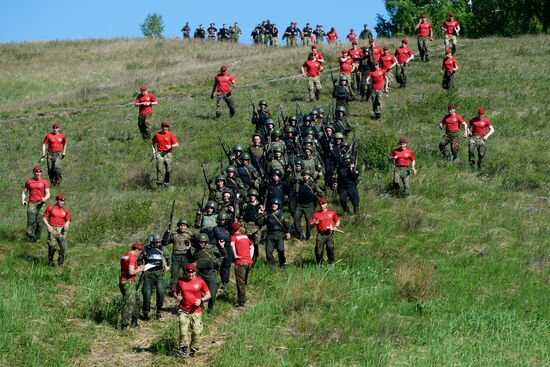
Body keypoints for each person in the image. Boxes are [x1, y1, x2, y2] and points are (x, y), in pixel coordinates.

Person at [174, 263, 211, 359]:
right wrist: (177, 296)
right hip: (183, 310)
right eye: (188, 273)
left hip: (196, 311)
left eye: (192, 272)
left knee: (197, 331)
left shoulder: (200, 282)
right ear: (185, 272)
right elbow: (175, 291)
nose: (190, 275)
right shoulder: (181, 282)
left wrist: (201, 300)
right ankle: (183, 348)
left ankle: (193, 349)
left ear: (195, 272)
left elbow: (208, 295)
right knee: (183, 330)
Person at [139, 234, 170, 321]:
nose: (158, 244)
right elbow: (139, 259)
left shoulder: (162, 249)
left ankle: (158, 312)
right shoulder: (146, 249)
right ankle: (145, 312)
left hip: (159, 274)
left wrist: (168, 267)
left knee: (161, 292)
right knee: (147, 294)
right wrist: (141, 266)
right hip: (148, 274)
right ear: (152, 242)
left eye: (159, 242)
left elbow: (168, 258)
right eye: (156, 242)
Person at [193, 233, 226, 312]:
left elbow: (224, 255)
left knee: (212, 294)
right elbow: (191, 259)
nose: (200, 244)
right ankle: (199, 307)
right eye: (199, 242)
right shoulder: (197, 250)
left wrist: (222, 248)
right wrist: (188, 250)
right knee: (196, 291)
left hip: (211, 273)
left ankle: (210, 310)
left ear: (206, 242)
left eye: (202, 242)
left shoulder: (212, 248)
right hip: (200, 274)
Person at [163, 219, 195, 296]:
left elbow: (196, 243)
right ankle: (172, 291)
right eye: (181, 225)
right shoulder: (174, 234)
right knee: (174, 275)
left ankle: (191, 289)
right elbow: (165, 242)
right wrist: (166, 234)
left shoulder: (190, 234)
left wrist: (191, 245)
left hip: (186, 256)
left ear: (186, 227)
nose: (182, 227)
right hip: (176, 257)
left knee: (188, 273)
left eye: (184, 226)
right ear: (178, 226)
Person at [257, 197, 291, 267]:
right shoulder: (267, 215)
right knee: (268, 252)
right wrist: (259, 214)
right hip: (270, 235)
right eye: (272, 204)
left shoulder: (282, 215)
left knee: (281, 250)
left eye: (276, 204)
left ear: (278, 205)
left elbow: (288, 225)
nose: (274, 205)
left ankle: (282, 263)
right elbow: (260, 223)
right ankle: (272, 265)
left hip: (280, 234)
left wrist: (288, 233)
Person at [119, 243, 145, 329]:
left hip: (123, 281)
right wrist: (140, 269)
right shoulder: (132, 257)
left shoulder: (125, 255)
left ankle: (135, 321)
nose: (139, 254)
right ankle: (125, 325)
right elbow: (131, 272)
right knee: (129, 303)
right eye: (139, 252)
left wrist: (137, 267)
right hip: (128, 282)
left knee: (136, 301)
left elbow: (128, 268)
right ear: (137, 250)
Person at [22, 166, 50, 242]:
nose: (38, 173)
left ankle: (37, 238)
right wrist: (23, 200)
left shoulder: (44, 182)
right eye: (36, 172)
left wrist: (45, 198)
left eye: (39, 172)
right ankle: (31, 237)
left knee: (40, 223)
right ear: (34, 173)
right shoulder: (29, 181)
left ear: (41, 173)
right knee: (31, 221)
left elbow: (48, 193)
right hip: (32, 204)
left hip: (41, 204)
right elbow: (24, 192)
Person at [293, 169, 324, 240]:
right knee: (296, 219)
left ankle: (308, 236)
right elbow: (295, 193)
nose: (305, 176)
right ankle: (300, 234)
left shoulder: (313, 184)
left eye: (307, 175)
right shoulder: (299, 184)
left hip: (309, 206)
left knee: (309, 222)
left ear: (309, 176)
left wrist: (317, 193)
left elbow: (321, 193)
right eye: (304, 175)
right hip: (299, 205)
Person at [42, 194, 71, 267]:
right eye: (61, 201)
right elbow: (44, 218)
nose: (62, 202)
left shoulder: (65, 210)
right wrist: (48, 226)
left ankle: (60, 263)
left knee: (63, 248)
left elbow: (68, 220)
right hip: (52, 229)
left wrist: (67, 224)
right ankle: (51, 259)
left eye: (63, 201)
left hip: (62, 230)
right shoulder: (50, 208)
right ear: (57, 200)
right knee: (52, 245)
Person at [310, 198, 340, 264]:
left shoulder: (331, 213)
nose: (322, 206)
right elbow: (310, 224)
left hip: (329, 233)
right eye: (320, 204)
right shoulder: (316, 214)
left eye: (323, 204)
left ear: (326, 204)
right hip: (321, 234)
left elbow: (337, 221)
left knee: (330, 247)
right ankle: (319, 263)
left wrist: (335, 226)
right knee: (318, 250)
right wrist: (315, 223)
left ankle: (331, 262)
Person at [229, 222, 253, 307]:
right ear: (239, 229)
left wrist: (235, 255)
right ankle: (241, 299)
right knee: (244, 281)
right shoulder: (245, 236)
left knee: (240, 282)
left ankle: (242, 302)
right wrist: (250, 256)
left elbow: (232, 245)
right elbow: (252, 246)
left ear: (232, 230)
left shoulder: (233, 237)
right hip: (248, 262)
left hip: (240, 262)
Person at [151, 122, 179, 189]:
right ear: (162, 127)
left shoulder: (170, 135)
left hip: (168, 154)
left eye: (167, 127)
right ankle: (159, 186)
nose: (166, 128)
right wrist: (154, 152)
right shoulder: (157, 135)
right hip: (160, 154)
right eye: (165, 127)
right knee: (159, 169)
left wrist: (171, 146)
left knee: (168, 169)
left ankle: (166, 184)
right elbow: (152, 143)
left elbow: (177, 144)